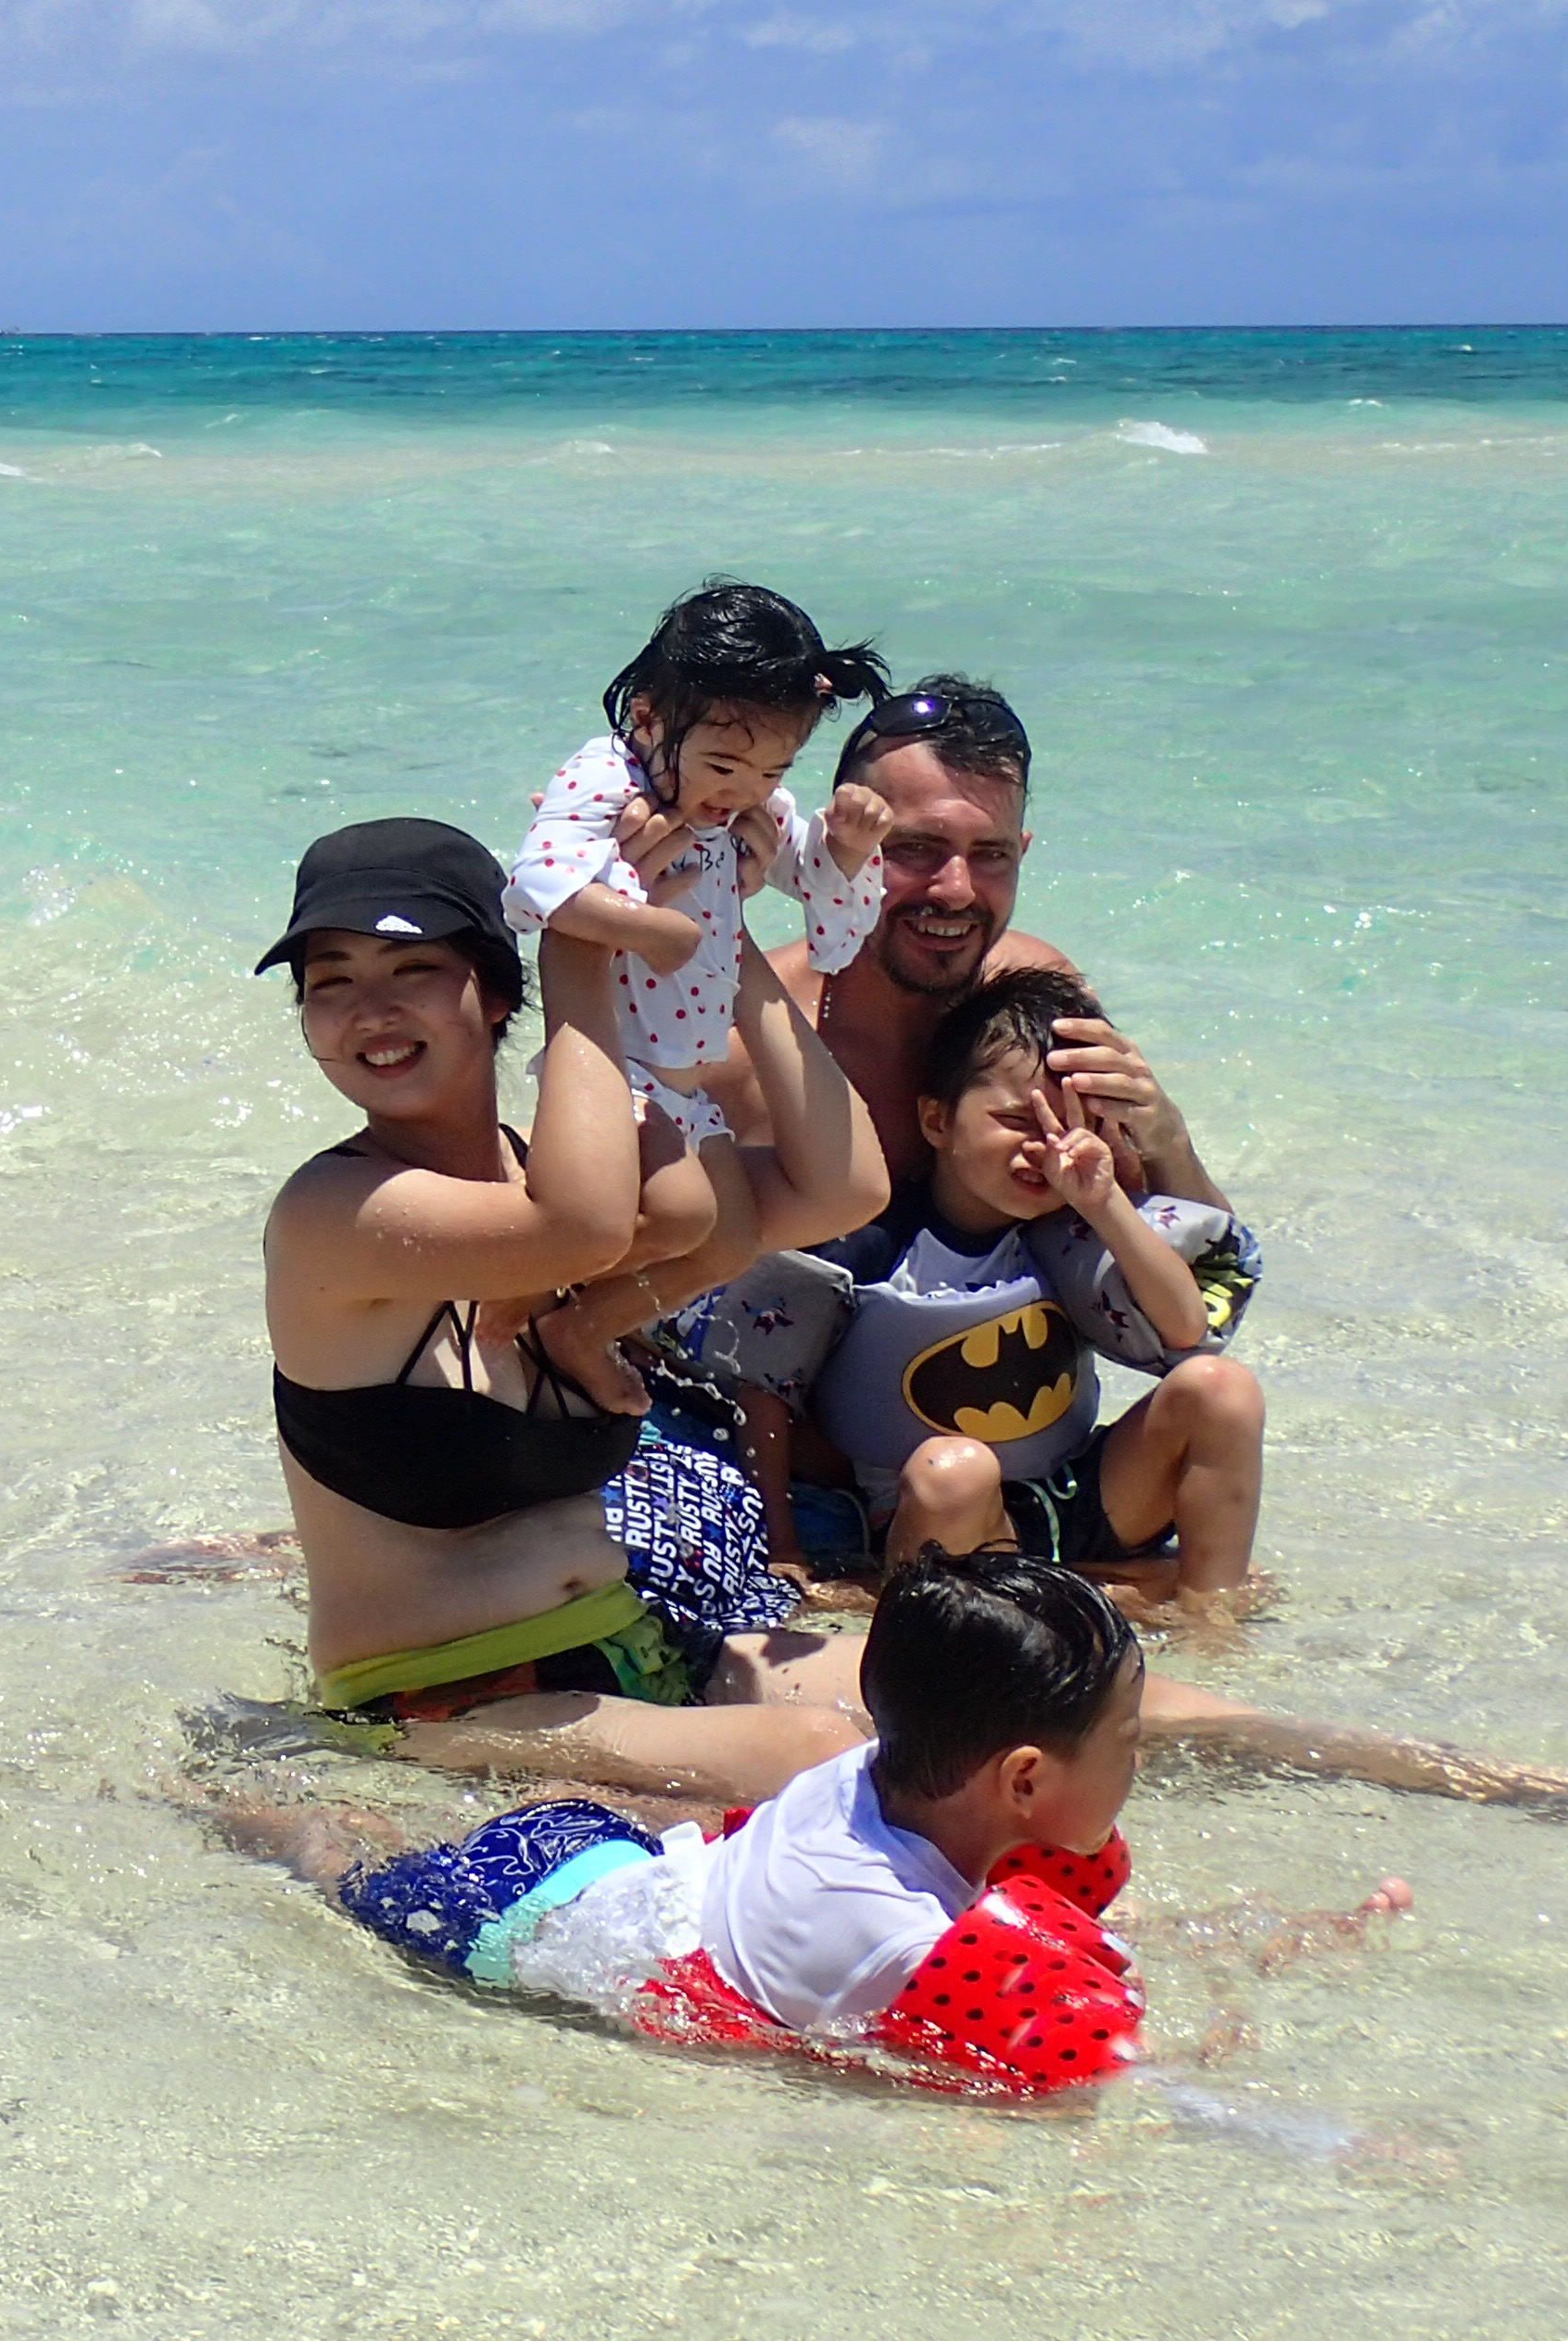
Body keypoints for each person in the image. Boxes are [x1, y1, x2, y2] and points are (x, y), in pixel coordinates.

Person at [259, 816, 893, 1802]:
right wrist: (581, 937)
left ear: (493, 990)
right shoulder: (333, 1214)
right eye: (329, 983)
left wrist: (718, 932)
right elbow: (580, 1230)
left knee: (1023, 1686)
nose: (369, 1012)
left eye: (412, 969)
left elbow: (845, 1187)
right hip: (441, 1701)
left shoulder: (561, 1183)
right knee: (822, 1758)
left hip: (635, 1646)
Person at [209, 1549, 1164, 2097]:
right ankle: (198, 1802)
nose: (1136, 1761)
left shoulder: (871, 1773)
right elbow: (1030, 2085)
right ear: (1023, 1779)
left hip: (611, 1863)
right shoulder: (896, 1944)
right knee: (332, 1861)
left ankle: (234, 1793)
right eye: (1126, 1740)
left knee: (356, 1836)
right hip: (511, 1920)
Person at [716, 970, 1267, 1588]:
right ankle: (1099, 1586)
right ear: (937, 1121)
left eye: (1070, 1127)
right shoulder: (866, 1247)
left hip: (1071, 1495)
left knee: (1221, 1389)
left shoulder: (1077, 1232)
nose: (1047, 1149)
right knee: (957, 1468)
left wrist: (1106, 1204)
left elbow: (1188, 1332)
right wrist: (782, 1545)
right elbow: (764, 1385)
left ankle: (1210, 1613)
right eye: (1018, 1120)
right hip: (939, 1513)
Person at [737, 676, 1227, 1208]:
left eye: (990, 855)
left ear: (1022, 853)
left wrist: (1167, 1145)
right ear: (837, 843)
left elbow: (1204, 1250)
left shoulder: (1040, 1004)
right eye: (916, 848)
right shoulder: (745, 1044)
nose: (956, 890)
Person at [507, 581, 895, 1160]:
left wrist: (848, 848)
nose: (743, 790)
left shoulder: (745, 804)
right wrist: (654, 931)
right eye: (722, 765)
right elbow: (536, 882)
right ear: (647, 718)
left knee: (724, 1218)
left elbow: (804, 873)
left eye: (773, 771)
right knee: (682, 1207)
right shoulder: (608, 778)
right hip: (616, 1076)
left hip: (691, 1095)